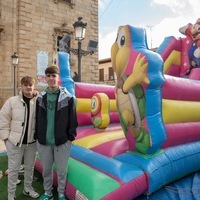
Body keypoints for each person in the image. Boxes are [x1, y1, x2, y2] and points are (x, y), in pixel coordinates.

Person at [35, 66, 78, 200]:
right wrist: (37, 136)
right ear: (45, 78)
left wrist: (70, 137)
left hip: (62, 142)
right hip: (44, 141)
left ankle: (60, 193)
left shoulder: (69, 98)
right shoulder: (40, 98)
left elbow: (73, 119)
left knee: (61, 171)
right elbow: (37, 118)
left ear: (58, 78)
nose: (51, 78)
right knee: (46, 170)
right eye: (48, 76)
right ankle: (47, 193)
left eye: (54, 76)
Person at [0, 76, 39, 200]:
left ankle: (27, 189)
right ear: (21, 86)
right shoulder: (12, 101)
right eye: (25, 84)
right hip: (15, 143)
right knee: (13, 170)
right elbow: (3, 119)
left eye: (30, 84)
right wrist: (6, 139)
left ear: (34, 86)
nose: (28, 87)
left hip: (32, 143)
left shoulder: (39, 100)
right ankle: (11, 195)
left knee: (29, 167)